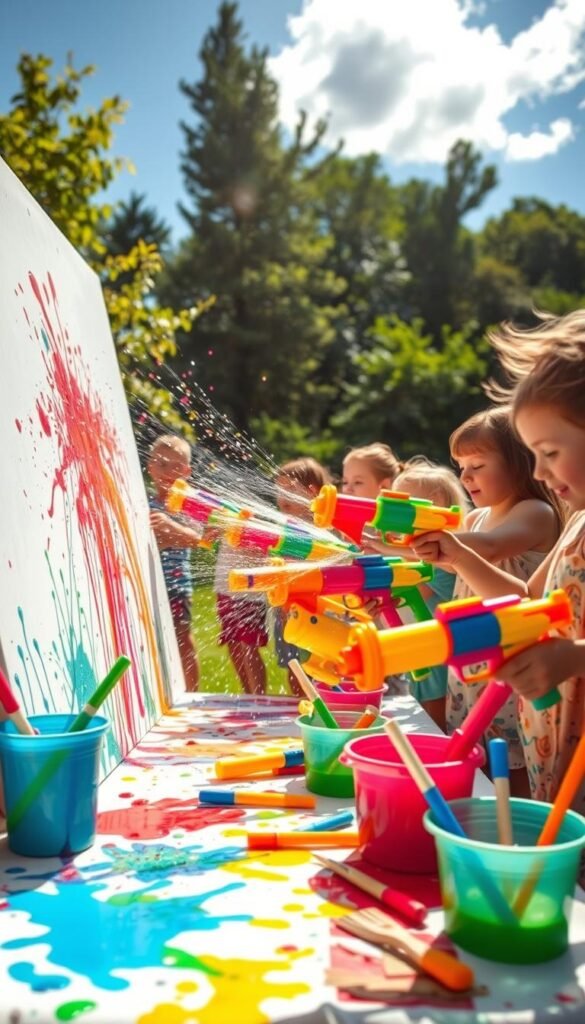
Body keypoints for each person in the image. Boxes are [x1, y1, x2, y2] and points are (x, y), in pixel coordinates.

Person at [412, 309, 585, 809]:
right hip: (554, 753)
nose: (539, 471)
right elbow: (527, 602)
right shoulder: (577, 521)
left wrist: (574, 657)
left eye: (550, 452)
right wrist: (456, 555)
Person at [441, 406, 563, 794]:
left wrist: (425, 544)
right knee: (474, 761)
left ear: (519, 463)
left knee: (512, 771)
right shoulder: (476, 519)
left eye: (477, 464)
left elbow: (489, 549)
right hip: (474, 665)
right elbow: (448, 561)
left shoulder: (535, 512)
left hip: (515, 665)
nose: (465, 476)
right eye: (461, 465)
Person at [391, 457, 469, 731]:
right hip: (428, 650)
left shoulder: (443, 555)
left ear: (434, 503)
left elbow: (414, 588)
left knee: (435, 725)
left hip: (441, 655)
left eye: (402, 502)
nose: (395, 511)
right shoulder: (428, 553)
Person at [272, 458, 331, 697]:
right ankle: (297, 705)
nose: (282, 497)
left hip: (316, 612)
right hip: (285, 610)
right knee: (293, 664)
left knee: (318, 667)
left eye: (290, 489)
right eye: (279, 490)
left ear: (312, 492)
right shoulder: (283, 528)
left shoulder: (323, 530)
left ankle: (322, 706)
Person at [147, 435, 201, 692]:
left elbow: (198, 539)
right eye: (161, 464)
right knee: (152, 642)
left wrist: (170, 529)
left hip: (177, 586)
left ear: (187, 471)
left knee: (182, 639)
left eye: (175, 466)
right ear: (149, 467)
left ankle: (192, 693)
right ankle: (163, 691)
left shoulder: (189, 506)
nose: (167, 471)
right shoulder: (144, 503)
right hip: (148, 586)